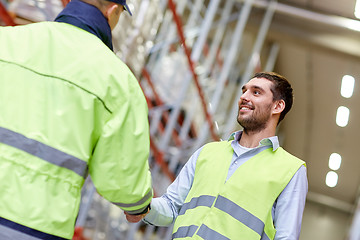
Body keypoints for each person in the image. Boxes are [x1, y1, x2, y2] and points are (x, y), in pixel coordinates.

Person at [0, 0, 152, 239]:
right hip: (37, 227)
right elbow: (121, 178)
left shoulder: (7, 41)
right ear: (112, 11)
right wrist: (138, 205)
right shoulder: (120, 83)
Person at [127, 72, 308, 240]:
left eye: (256, 92)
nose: (244, 97)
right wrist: (143, 207)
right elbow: (171, 206)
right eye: (244, 91)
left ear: (278, 106)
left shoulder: (291, 170)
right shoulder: (208, 152)